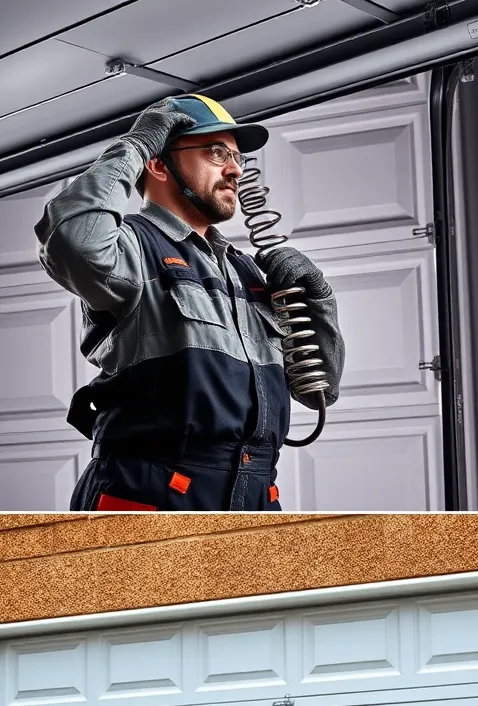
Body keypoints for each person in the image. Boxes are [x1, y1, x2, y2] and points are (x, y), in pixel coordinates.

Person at [35, 95, 344, 511]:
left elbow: (319, 389)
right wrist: (137, 145)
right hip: (151, 496)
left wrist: (319, 298)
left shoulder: (248, 273)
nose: (235, 169)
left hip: (252, 497)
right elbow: (74, 242)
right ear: (160, 164)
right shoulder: (132, 250)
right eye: (217, 153)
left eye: (237, 157)